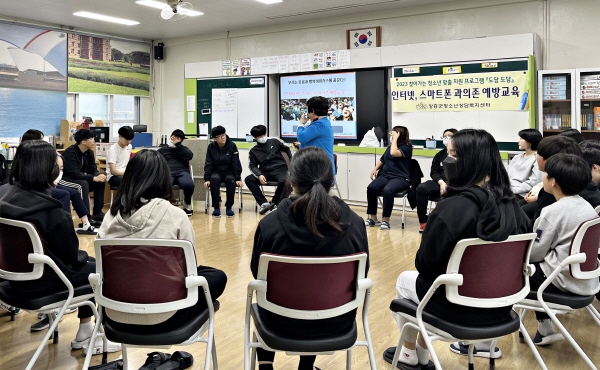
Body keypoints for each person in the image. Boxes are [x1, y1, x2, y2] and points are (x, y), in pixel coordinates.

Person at [386, 129, 531, 367]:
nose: (446, 161)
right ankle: (421, 350)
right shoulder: (514, 207)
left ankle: (409, 353)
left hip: (458, 310)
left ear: (467, 163)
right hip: (503, 308)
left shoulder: (450, 209)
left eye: (451, 155)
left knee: (406, 280)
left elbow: (425, 265)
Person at [251, 147, 369, 370]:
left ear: (291, 181)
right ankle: (306, 367)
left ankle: (265, 366)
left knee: (263, 296)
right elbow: (362, 273)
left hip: (278, 322)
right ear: (331, 180)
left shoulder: (270, 225)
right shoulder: (355, 224)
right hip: (336, 323)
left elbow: (258, 273)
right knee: (318, 296)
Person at [0, 140, 120, 355]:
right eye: (58, 167)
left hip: (14, 279)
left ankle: (85, 329)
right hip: (43, 283)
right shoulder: (51, 211)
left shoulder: (6, 198)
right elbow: (72, 258)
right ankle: (96, 337)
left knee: (91, 265)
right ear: (47, 169)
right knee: (102, 270)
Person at [97, 149, 227, 334]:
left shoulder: (111, 215)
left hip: (114, 312)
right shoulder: (175, 215)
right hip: (165, 315)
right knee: (216, 276)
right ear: (163, 177)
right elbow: (189, 267)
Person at [528, 153, 599, 345]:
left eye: (545, 173)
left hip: (562, 281)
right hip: (585, 279)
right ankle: (544, 329)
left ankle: (484, 344)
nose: (542, 175)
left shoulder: (553, 211)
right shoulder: (586, 206)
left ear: (553, 182)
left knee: (510, 273)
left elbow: (534, 253)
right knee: (537, 268)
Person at [19, 129, 99, 235]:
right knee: (64, 194)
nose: (44, 141)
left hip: (48, 183)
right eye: (41, 139)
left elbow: (57, 163)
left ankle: (86, 224)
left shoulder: (45, 152)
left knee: (74, 193)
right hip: (36, 186)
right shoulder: (26, 155)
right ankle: (66, 227)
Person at [520, 135, 582, 220]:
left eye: (538, 154)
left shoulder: (550, 193)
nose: (536, 158)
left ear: (550, 160)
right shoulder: (574, 188)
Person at [365, 126, 413, 230]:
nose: (391, 135)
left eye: (394, 133)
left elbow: (393, 153)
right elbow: (383, 159)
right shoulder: (390, 147)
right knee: (371, 188)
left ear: (400, 135)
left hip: (400, 177)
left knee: (388, 190)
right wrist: (375, 169)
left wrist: (395, 138)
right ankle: (373, 218)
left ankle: (386, 220)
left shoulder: (407, 147)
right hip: (386, 175)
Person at [415, 128, 457, 233]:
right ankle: (423, 223)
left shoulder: (463, 154)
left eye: (449, 136)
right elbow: (434, 172)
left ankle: (442, 224)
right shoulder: (440, 155)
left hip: (455, 184)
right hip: (439, 182)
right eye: (444, 136)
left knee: (449, 195)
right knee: (421, 188)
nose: (446, 138)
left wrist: (448, 184)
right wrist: (441, 182)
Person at [245, 125, 292, 215]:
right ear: (255, 138)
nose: (263, 137)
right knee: (249, 179)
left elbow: (288, 149)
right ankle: (264, 203)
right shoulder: (253, 150)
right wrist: (259, 175)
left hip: (280, 169)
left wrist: (292, 161)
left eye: (264, 135)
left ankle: (275, 203)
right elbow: (252, 166)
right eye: (259, 136)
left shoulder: (275, 141)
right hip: (264, 171)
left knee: (285, 181)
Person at [62, 129, 106, 221]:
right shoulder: (70, 153)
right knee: (83, 184)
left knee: (100, 182)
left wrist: (98, 176)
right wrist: (93, 178)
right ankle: (86, 218)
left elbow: (92, 169)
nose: (94, 140)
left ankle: (97, 212)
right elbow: (74, 174)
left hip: (79, 178)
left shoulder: (89, 152)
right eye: (91, 138)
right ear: (83, 142)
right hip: (66, 179)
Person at [203, 126, 243, 218]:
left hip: (229, 171)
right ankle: (216, 207)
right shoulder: (211, 147)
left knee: (231, 180)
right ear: (215, 139)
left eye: (224, 135)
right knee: (214, 180)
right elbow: (208, 163)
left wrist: (238, 178)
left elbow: (236, 162)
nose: (223, 137)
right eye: (220, 136)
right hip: (216, 171)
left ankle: (229, 207)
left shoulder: (232, 145)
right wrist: (207, 179)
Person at [158, 129, 194, 216]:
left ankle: (186, 206)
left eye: (177, 138)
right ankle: (165, 207)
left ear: (181, 140)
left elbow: (190, 156)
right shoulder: (163, 150)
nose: (173, 140)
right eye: (173, 137)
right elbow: (156, 159)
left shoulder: (183, 149)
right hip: (168, 172)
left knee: (189, 185)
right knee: (165, 185)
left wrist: (178, 145)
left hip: (182, 172)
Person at [297, 96, 335, 175]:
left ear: (313, 111)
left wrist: (301, 124)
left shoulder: (319, 124)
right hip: (318, 166)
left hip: (320, 170)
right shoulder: (323, 122)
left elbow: (302, 137)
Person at [509, 128, 543, 199]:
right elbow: (506, 175)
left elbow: (533, 182)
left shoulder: (537, 159)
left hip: (521, 194)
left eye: (522, 138)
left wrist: (513, 190)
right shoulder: (516, 158)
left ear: (530, 141)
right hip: (508, 190)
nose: (518, 141)